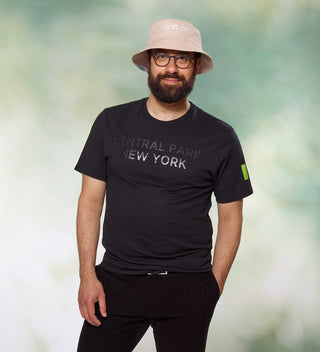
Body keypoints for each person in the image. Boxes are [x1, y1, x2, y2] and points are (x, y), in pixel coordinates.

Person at [75, 18, 253, 352]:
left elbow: (232, 215)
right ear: (148, 64)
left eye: (183, 58)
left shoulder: (221, 137)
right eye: (162, 57)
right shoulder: (110, 122)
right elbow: (89, 202)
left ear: (196, 67)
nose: (171, 68)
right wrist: (88, 275)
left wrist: (213, 288)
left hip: (188, 285)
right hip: (116, 281)